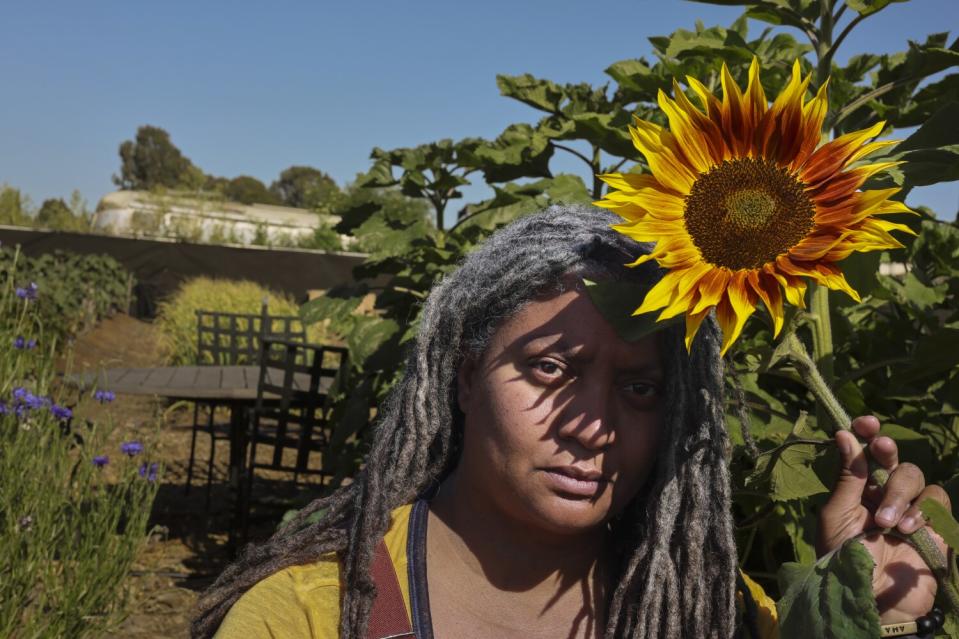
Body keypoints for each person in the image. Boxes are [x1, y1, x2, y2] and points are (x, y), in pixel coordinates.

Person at [193, 205, 949, 639]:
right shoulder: (309, 617)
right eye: (551, 368)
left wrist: (864, 608)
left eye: (641, 387)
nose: (594, 425)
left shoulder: (715, 614)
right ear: (462, 376)